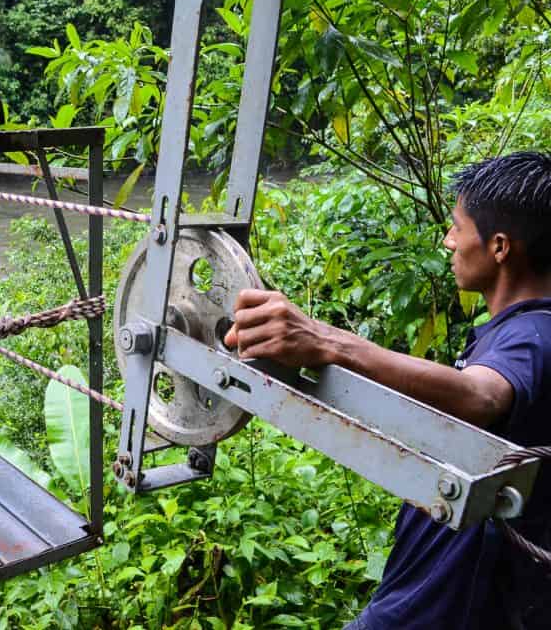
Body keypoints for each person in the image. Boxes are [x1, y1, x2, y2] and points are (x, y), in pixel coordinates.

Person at [222, 152, 551, 630]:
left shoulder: (533, 336)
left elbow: (481, 397)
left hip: (441, 606)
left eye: (458, 227)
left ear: (499, 247)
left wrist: (326, 340)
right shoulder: (517, 330)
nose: (448, 240)